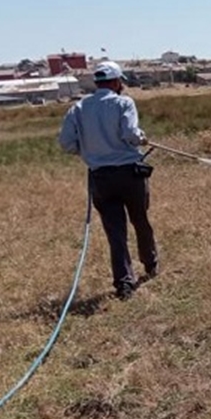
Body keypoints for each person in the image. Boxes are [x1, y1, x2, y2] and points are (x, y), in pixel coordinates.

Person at [58, 61, 159, 300]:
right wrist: (141, 138)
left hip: (101, 177)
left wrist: (89, 152)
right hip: (129, 174)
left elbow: (66, 143)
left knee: (115, 232)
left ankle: (124, 284)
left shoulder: (79, 108)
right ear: (115, 82)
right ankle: (150, 263)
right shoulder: (124, 102)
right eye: (121, 81)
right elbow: (130, 134)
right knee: (140, 220)